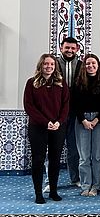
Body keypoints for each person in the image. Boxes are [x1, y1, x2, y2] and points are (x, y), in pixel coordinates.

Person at [23, 54, 69, 204]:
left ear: (55, 67)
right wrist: (45, 122)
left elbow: (66, 105)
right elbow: (29, 106)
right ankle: (38, 193)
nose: (49, 67)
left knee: (55, 160)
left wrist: (59, 122)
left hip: (57, 127)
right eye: (46, 64)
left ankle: (53, 191)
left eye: (52, 64)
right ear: (41, 65)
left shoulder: (61, 83)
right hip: (38, 127)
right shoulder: (32, 83)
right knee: (38, 160)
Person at [72, 54, 100, 197]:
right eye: (88, 63)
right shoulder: (78, 82)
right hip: (82, 121)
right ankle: (85, 185)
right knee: (84, 156)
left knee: (97, 156)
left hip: (99, 120)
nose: (90, 66)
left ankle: (95, 185)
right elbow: (74, 104)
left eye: (93, 63)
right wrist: (83, 120)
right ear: (84, 66)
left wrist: (96, 120)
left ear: (98, 65)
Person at [57, 36, 82, 186]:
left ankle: (75, 178)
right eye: (67, 47)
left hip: (74, 112)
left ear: (77, 49)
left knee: (74, 148)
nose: (70, 50)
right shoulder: (53, 64)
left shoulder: (82, 65)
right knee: (54, 148)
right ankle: (50, 181)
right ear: (61, 48)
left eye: (73, 48)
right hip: (57, 113)